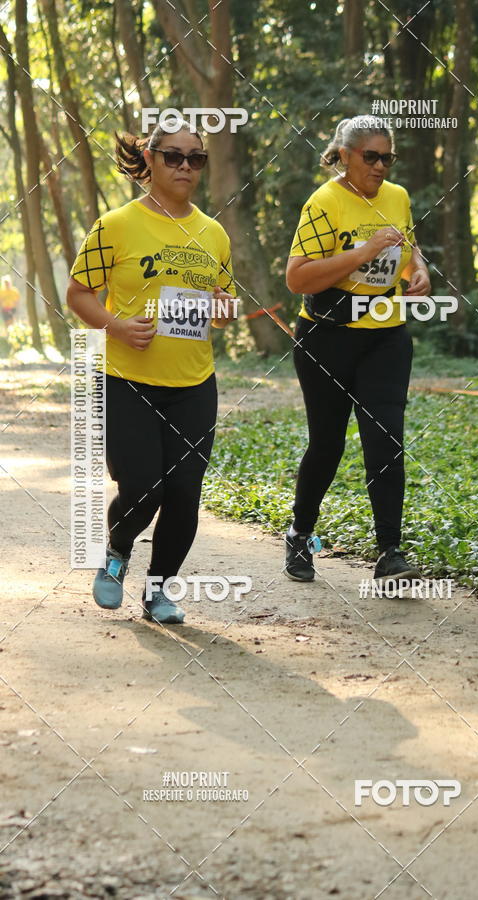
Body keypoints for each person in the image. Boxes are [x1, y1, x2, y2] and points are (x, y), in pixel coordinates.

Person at [67, 119, 237, 624]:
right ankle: (117, 552)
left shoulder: (214, 233)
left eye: (196, 158)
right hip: (126, 380)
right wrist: (116, 326)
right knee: (144, 487)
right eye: (174, 156)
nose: (186, 166)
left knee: (184, 497)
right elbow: (78, 294)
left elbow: (219, 302)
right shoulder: (116, 225)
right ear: (151, 160)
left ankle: (159, 592)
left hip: (193, 384)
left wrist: (222, 309)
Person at [284, 115, 431, 584]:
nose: (381, 166)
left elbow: (407, 249)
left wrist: (418, 272)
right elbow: (297, 278)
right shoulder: (323, 202)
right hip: (326, 339)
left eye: (388, 157)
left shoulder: (398, 197)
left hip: (386, 337)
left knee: (386, 439)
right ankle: (299, 535)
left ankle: (390, 552)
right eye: (371, 157)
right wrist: (362, 253)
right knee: (327, 444)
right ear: (345, 156)